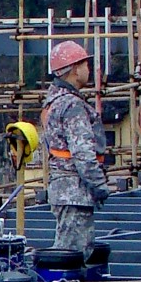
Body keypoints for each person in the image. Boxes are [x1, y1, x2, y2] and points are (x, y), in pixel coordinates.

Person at [42, 40, 109, 252]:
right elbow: (83, 154)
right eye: (85, 65)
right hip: (75, 192)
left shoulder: (54, 102)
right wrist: (99, 186)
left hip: (64, 189)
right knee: (73, 256)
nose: (89, 70)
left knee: (68, 252)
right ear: (74, 69)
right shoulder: (72, 105)